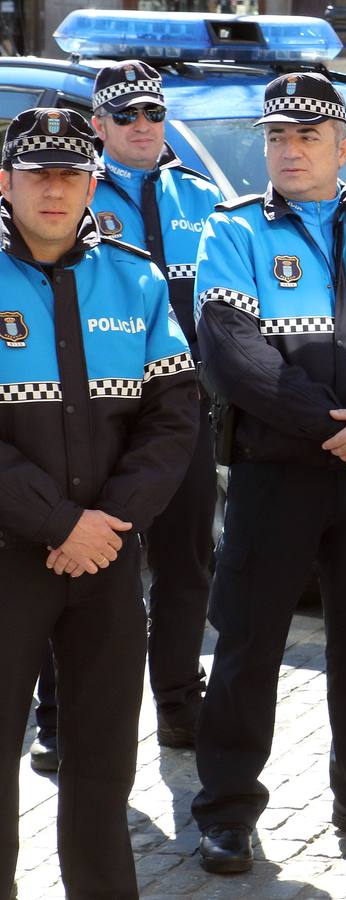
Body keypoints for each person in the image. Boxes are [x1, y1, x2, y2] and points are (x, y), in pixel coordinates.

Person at [191, 72, 346, 873]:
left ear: (342, 147)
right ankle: (226, 809)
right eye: (276, 137)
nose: (287, 151)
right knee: (248, 645)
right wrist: (338, 427)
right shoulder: (233, 230)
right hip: (274, 473)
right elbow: (233, 358)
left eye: (305, 137)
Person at [0, 107, 198, 896]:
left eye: (71, 175)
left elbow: (174, 416)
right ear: (4, 181)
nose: (55, 190)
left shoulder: (136, 274)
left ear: (93, 183)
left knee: (103, 763)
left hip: (108, 560)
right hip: (9, 559)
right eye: (38, 174)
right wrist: (59, 524)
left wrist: (107, 526)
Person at [27, 59, 224, 771]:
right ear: (102, 125)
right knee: (74, 561)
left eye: (153, 114)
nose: (144, 126)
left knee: (186, 563)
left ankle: (178, 700)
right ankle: (58, 718)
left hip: (178, 412)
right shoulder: (71, 194)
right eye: (128, 116)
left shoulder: (201, 196)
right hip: (89, 414)